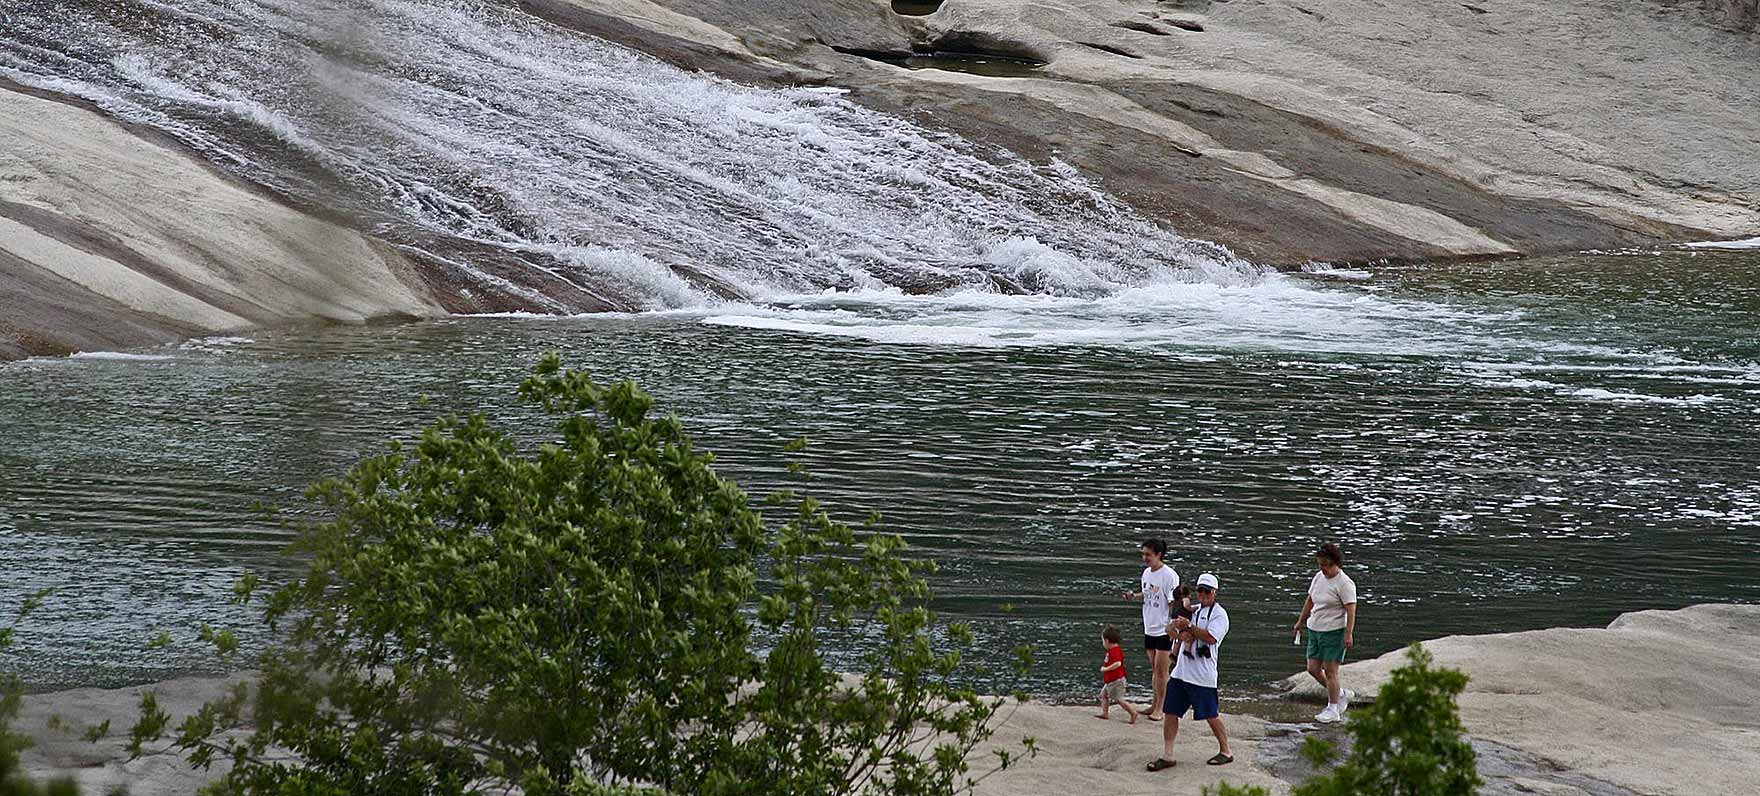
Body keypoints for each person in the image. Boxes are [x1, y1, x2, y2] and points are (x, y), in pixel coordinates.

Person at [1147, 572, 1232, 771]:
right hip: (1181, 672)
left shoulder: (1220, 615)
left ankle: (1226, 750)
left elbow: (1211, 637)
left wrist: (1190, 627)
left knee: (1211, 714)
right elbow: (1178, 633)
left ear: (1215, 592)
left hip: (1202, 676)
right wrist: (1172, 629)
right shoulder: (1193, 610)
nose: (1202, 594)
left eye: (1206, 591)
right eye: (1200, 590)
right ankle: (1168, 754)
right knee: (1170, 711)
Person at [1294, 542, 1358, 724]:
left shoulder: (1345, 584)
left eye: (1325, 565)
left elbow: (1351, 610)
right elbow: (1310, 600)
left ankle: (1333, 708)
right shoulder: (1319, 577)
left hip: (1334, 631)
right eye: (1320, 564)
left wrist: (1348, 634)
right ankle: (1341, 694)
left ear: (1335, 563)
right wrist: (1300, 621)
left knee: (1331, 671)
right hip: (1316, 629)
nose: (1322, 568)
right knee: (1313, 668)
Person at [1122, 538, 1179, 721]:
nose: (1144, 557)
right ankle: (1154, 704)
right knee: (1154, 669)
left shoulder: (1169, 575)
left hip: (1164, 629)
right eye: (1143, 553)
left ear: (1158, 555)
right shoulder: (1146, 573)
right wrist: (1134, 596)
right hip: (1149, 626)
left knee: (1162, 671)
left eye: (1148, 554)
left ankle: (1161, 708)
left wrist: (1173, 626)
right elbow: (1148, 593)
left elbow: (1174, 602)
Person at [1094, 625, 1139, 723]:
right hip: (1110, 680)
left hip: (1116, 680)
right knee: (1104, 694)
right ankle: (1105, 713)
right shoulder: (1111, 651)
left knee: (1118, 699)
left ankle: (1132, 712)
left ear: (1106, 641)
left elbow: (1118, 663)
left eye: (1102, 641)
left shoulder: (1115, 651)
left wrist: (1106, 669)